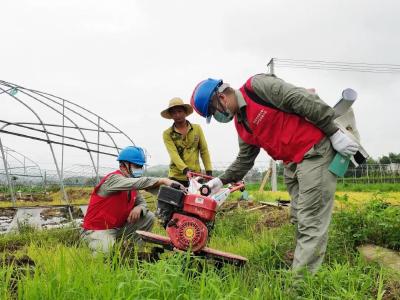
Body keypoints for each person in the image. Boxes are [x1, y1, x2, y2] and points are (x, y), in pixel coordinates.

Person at [190, 74, 359, 274]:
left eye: (213, 111)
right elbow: (245, 159)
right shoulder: (241, 124)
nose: (218, 118)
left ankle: (299, 287)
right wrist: (219, 181)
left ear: (221, 98)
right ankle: (305, 267)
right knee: (299, 218)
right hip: (292, 164)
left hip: (315, 151)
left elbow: (301, 99)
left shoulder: (257, 87)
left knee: (310, 221)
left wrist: (333, 132)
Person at [81, 146, 183, 254]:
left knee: (148, 217)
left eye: (141, 166)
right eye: (137, 166)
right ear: (123, 165)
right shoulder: (114, 179)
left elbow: (142, 202)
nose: (139, 169)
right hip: (97, 230)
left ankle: (134, 252)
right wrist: (163, 180)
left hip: (117, 228)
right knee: (106, 257)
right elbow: (138, 183)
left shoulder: (132, 186)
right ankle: (102, 247)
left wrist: (139, 208)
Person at [161, 97, 213, 187]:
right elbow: (173, 154)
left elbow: (204, 151)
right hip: (176, 176)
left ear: (185, 112)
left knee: (197, 199)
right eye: (174, 112)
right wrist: (185, 170)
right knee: (176, 200)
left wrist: (209, 170)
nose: (177, 115)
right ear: (171, 115)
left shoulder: (197, 129)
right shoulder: (167, 134)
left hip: (196, 176)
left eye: (179, 111)